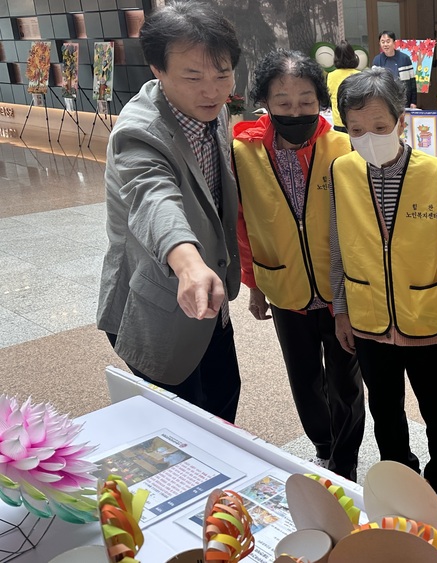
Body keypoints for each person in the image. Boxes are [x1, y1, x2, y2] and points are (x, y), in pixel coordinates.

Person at [330, 67, 437, 522]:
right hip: (368, 317)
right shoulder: (342, 171)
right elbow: (337, 244)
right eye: (356, 130)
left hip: (428, 317)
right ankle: (401, 477)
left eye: (379, 127)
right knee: (384, 409)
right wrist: (341, 310)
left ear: (401, 122)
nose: (368, 138)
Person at [97, 1, 243, 422]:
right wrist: (189, 264)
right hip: (156, 304)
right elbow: (153, 198)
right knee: (184, 425)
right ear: (157, 70)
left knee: (223, 401)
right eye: (193, 77)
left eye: (223, 74)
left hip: (208, 298)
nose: (212, 91)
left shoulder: (213, 111)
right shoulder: (139, 132)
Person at [232, 49, 365, 479]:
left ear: (320, 100)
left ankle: (345, 461)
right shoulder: (244, 151)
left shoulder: (342, 147)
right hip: (284, 286)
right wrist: (253, 284)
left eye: (306, 101)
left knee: (346, 381)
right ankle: (323, 445)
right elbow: (244, 223)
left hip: (340, 290)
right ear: (265, 102)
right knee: (304, 377)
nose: (296, 112)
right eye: (284, 102)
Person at [372, 31, 417, 108]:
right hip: (384, 101)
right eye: (383, 42)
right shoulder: (377, 60)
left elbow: (412, 81)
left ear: (394, 43)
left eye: (388, 41)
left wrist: (413, 102)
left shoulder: (404, 59)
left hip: (403, 100)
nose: (385, 44)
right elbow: (374, 84)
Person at [326, 40, 361, 133]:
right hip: (356, 121)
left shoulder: (330, 76)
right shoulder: (359, 75)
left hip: (338, 121)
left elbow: (329, 96)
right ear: (353, 56)